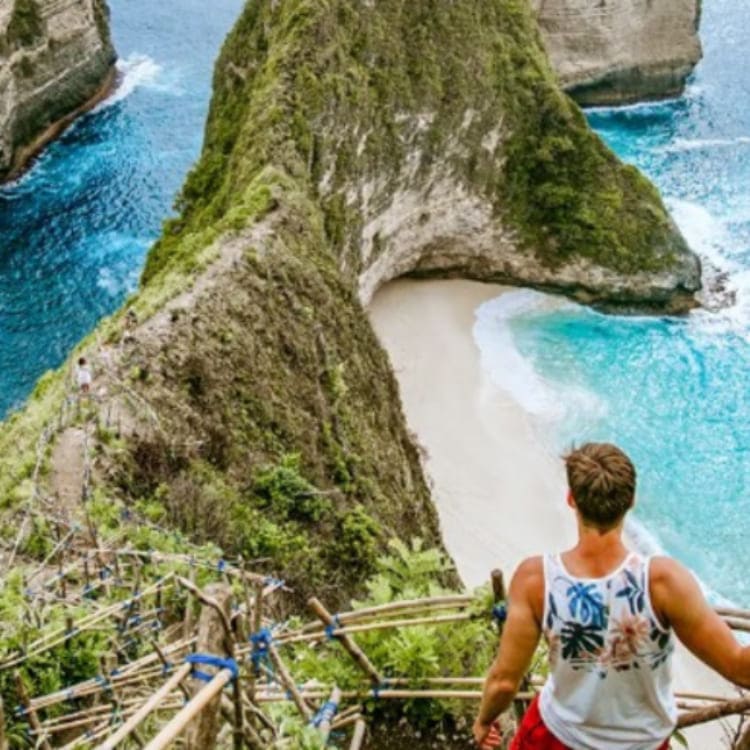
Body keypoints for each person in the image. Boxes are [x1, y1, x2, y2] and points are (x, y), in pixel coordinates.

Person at [474, 442, 750, 750]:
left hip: (557, 736)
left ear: (571, 499)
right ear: (631, 501)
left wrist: (484, 721)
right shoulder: (664, 582)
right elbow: (739, 667)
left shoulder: (536, 579)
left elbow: (504, 682)